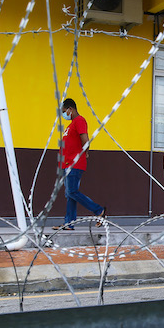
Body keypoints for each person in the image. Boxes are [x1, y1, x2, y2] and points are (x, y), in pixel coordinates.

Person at [54, 98, 106, 230]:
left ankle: (99, 210)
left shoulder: (79, 120)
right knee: (70, 193)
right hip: (67, 164)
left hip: (75, 163)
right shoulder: (71, 124)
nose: (64, 114)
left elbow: (85, 139)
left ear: (71, 109)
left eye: (65, 111)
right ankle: (69, 223)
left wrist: (85, 152)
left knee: (72, 191)